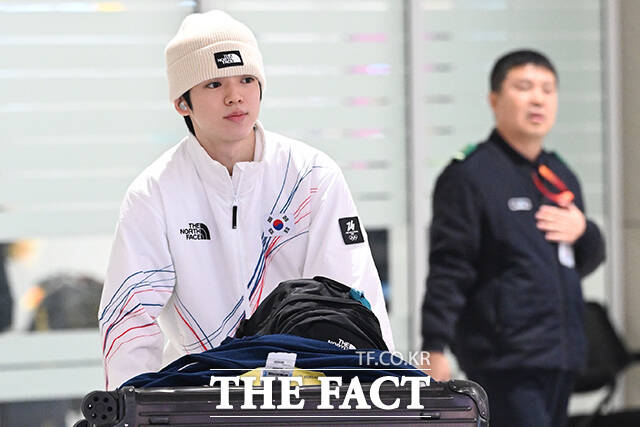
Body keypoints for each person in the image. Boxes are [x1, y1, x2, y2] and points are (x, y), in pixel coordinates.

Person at [99, 10, 393, 390]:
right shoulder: (155, 193)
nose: (235, 96)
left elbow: (352, 298)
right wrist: (130, 406)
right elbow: (129, 321)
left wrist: (376, 393)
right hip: (200, 396)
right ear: (182, 103)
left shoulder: (311, 176)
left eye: (247, 79)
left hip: (306, 394)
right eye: (214, 84)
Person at [420, 49, 605, 427]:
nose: (538, 99)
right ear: (494, 99)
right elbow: (450, 267)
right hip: (504, 358)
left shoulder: (560, 175)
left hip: (561, 354)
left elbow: (577, 263)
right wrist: (433, 347)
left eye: (548, 90)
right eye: (524, 87)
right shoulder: (470, 175)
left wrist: (584, 231)